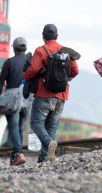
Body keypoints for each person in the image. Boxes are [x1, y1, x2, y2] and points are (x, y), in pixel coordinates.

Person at [24, 24, 79, 163]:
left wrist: (25, 75)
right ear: (57, 36)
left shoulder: (40, 50)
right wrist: (65, 78)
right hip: (61, 95)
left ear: (43, 36)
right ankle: (45, 159)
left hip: (43, 93)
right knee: (51, 127)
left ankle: (48, 144)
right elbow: (75, 70)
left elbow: (33, 69)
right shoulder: (65, 51)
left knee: (36, 123)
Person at [0, 37, 29, 166]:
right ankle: (15, 156)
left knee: (13, 126)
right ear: (26, 48)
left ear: (14, 48)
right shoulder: (31, 61)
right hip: (28, 98)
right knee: (20, 127)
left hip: (13, 99)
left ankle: (18, 153)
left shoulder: (9, 62)